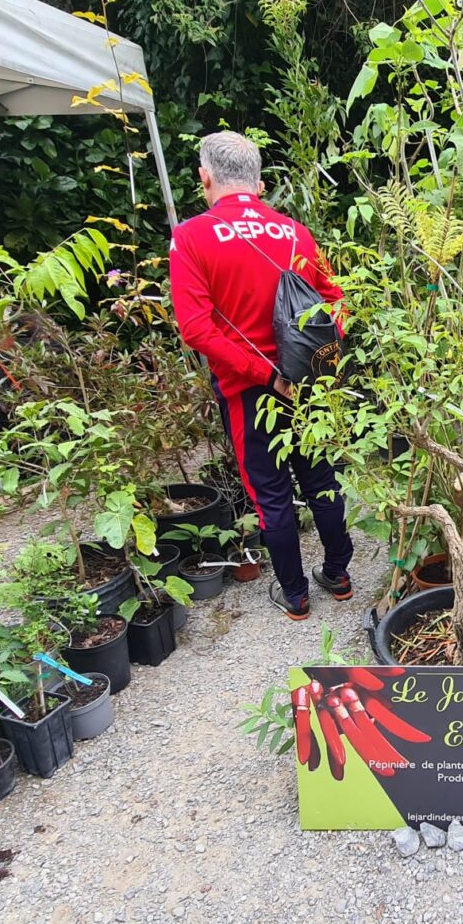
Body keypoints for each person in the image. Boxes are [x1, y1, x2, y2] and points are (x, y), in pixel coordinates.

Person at [169, 131, 354, 622]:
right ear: (260, 183)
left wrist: (267, 375)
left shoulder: (190, 236)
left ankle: (294, 595)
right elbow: (339, 302)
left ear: (205, 178)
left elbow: (195, 328)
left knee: (270, 492)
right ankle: (338, 573)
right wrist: (312, 364)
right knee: (321, 476)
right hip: (309, 382)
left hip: (248, 389)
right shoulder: (293, 231)